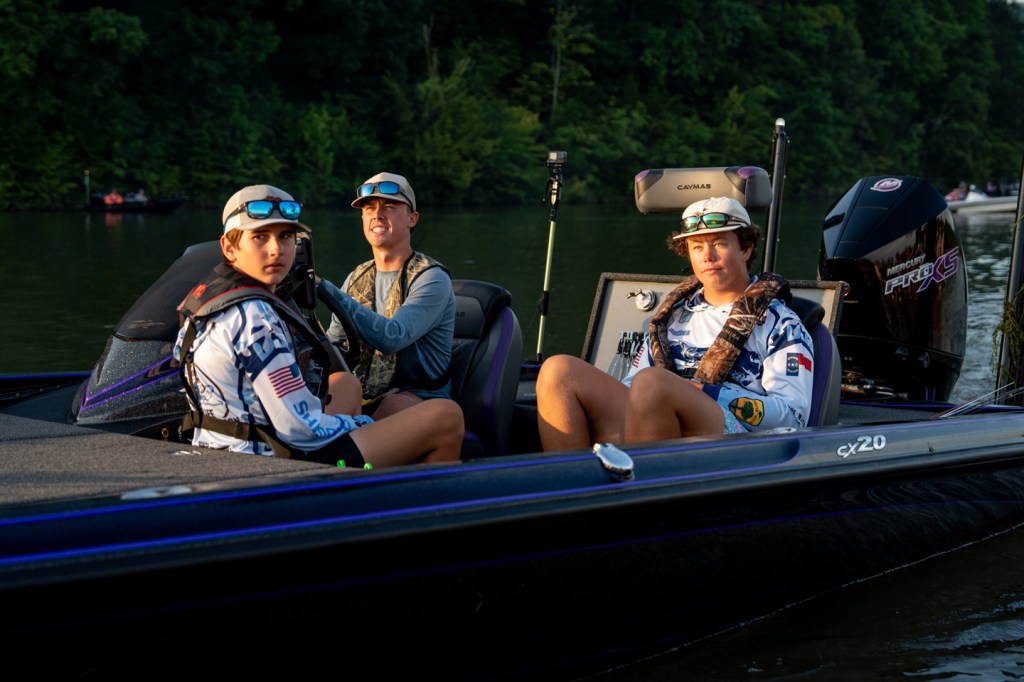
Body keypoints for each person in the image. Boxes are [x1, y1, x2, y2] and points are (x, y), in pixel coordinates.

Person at [174, 184, 462, 468]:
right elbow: (299, 429)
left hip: (219, 445)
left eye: (285, 236)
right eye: (260, 237)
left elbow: (391, 337)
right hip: (274, 459)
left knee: (346, 384)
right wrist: (362, 424)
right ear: (229, 247)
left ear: (412, 218)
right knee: (447, 415)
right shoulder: (258, 319)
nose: (276, 250)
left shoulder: (207, 302)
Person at [536, 197, 814, 451]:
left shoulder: (782, 324)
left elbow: (793, 417)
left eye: (719, 243)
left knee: (652, 382)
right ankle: (574, 483)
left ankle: (643, 484)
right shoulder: (672, 316)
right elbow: (634, 386)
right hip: (656, 419)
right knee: (558, 371)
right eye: (697, 247)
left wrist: (711, 393)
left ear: (746, 249)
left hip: (732, 441)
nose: (707, 256)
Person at [318, 172, 456, 419]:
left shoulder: (432, 278)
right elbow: (334, 344)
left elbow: (393, 337)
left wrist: (323, 288)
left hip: (418, 397)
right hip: (364, 392)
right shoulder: (356, 277)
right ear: (363, 218)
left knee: (393, 406)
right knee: (334, 388)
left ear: (412, 219)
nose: (377, 214)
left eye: (389, 207)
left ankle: (352, 437)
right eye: (369, 208)